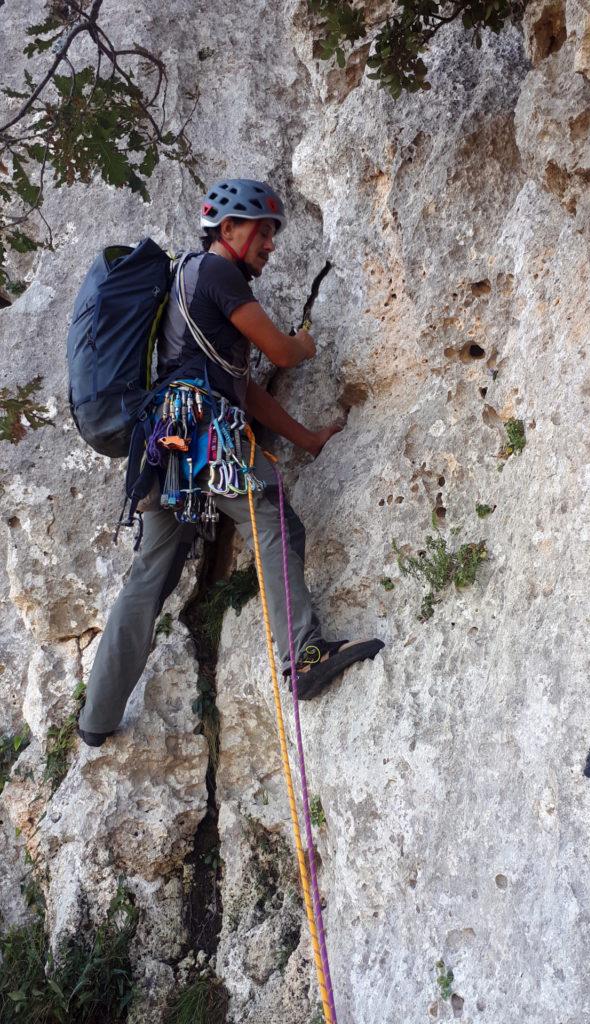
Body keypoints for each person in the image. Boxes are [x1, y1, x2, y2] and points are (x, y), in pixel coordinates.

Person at [77, 178, 384, 747]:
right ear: (228, 230)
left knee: (150, 576)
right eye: (261, 230)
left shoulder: (191, 285)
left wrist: (308, 439)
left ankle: (96, 718)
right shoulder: (216, 272)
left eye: (272, 232)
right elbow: (282, 353)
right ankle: (304, 655)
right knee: (271, 516)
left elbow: (248, 392)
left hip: (166, 443)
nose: (270, 243)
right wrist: (308, 343)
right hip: (202, 431)